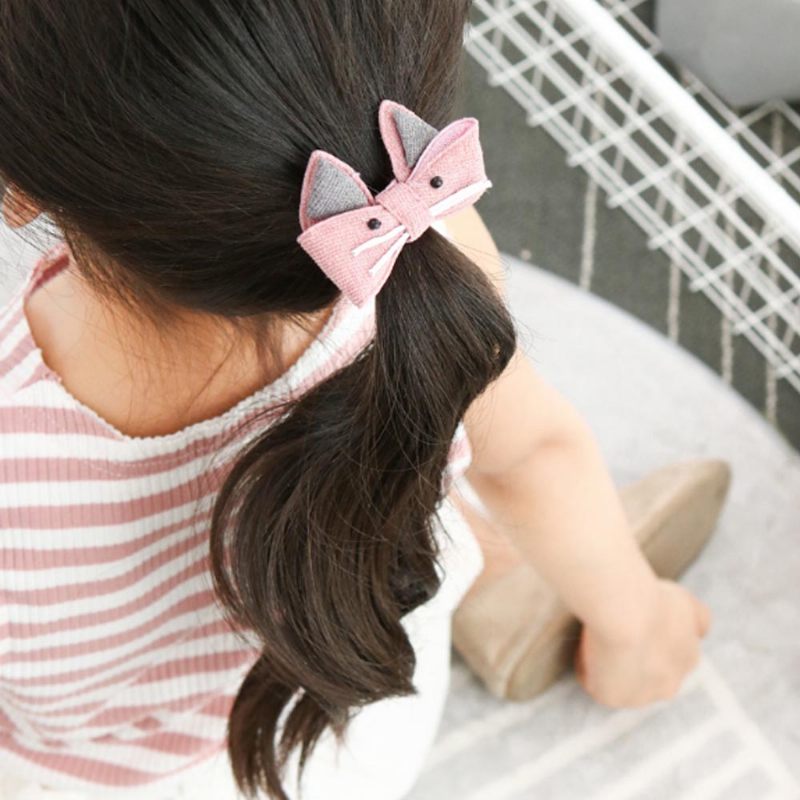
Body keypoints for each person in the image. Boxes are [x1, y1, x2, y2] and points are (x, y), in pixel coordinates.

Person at [0, 2, 728, 799]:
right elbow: (534, 454)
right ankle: (473, 567)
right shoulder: (413, 244)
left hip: (126, 778)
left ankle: (480, 569)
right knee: (411, 437)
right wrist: (637, 628)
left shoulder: (19, 441)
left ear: (19, 191)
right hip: (353, 726)